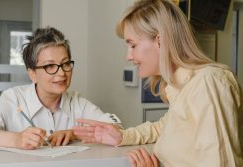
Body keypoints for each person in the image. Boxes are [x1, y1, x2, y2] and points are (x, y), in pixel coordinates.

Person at [72, 0, 243, 166]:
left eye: (133, 45)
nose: (128, 56)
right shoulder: (183, 86)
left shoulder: (207, 83)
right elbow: (163, 127)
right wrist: (123, 136)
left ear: (160, 40)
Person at [0, 26, 121, 150]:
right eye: (50, 66)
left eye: (66, 64)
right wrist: (17, 139)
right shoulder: (13, 98)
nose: (61, 73)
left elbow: (117, 130)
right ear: (32, 74)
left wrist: (74, 134)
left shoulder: (77, 102)